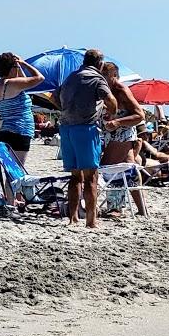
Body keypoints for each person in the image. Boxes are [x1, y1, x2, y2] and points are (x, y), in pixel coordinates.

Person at [54, 48, 115, 229]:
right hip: (86, 129)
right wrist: (110, 112)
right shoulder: (96, 78)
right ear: (100, 63)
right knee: (91, 177)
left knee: (75, 176)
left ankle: (73, 218)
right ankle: (91, 220)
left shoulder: (71, 77)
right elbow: (111, 100)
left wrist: (65, 109)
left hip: (66, 128)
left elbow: (54, 96)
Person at [100, 61, 147, 215]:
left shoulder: (121, 90)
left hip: (122, 134)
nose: (102, 79)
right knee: (129, 169)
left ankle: (115, 207)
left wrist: (117, 122)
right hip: (111, 134)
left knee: (109, 167)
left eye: (105, 76)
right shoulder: (104, 91)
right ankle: (141, 209)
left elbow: (140, 115)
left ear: (114, 76)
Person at [0, 53, 46, 166]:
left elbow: (24, 81)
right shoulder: (12, 84)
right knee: (18, 170)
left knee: (10, 170)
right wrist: (24, 64)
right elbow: (40, 78)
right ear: (12, 69)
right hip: (20, 131)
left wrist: (18, 66)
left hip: (6, 130)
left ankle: (7, 185)